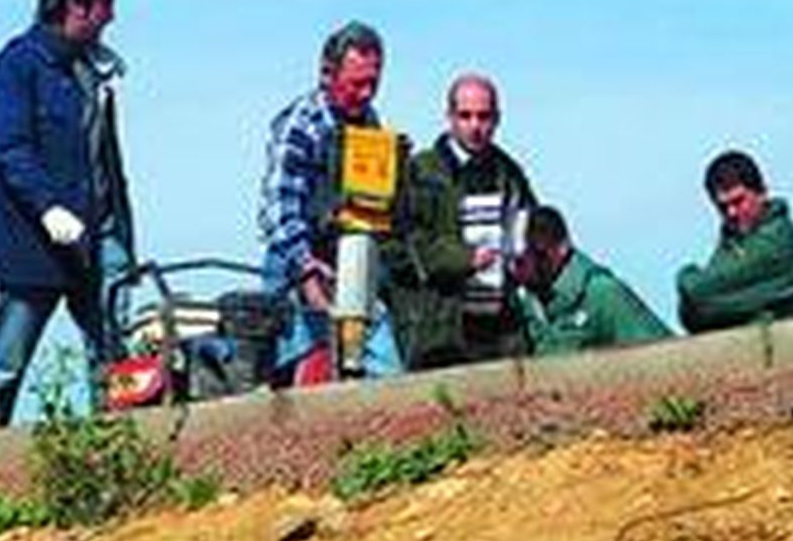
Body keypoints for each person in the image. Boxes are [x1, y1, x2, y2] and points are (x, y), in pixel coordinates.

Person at [0, 0, 136, 423]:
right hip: (32, 244)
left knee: (113, 356)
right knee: (5, 362)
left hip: (99, 237)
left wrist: (116, 230)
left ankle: (115, 444)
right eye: (105, 5)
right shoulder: (18, 65)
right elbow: (9, 148)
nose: (112, 17)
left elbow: (103, 158)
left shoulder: (93, 72)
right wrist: (48, 208)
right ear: (76, 5)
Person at [258, 21, 401, 385]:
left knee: (384, 369)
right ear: (327, 74)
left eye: (373, 83)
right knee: (305, 377)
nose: (366, 94)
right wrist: (306, 271)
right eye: (356, 84)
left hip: (352, 263)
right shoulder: (301, 124)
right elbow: (278, 208)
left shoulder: (369, 125)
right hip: (297, 265)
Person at [387, 73, 539, 368]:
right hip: (440, 334)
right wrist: (464, 258)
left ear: (497, 119)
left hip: (500, 332)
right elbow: (401, 246)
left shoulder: (509, 174)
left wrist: (525, 262)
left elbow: (530, 230)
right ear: (450, 117)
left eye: (483, 116)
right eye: (465, 116)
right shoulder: (421, 171)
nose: (475, 126)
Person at [676, 150, 793, 332]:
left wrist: (686, 276)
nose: (731, 213)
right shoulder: (731, 246)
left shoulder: (777, 241)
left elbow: (698, 294)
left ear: (762, 193)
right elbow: (691, 315)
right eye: (723, 207)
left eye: (738, 201)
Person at [514, 205, 670, 355]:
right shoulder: (526, 307)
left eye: (536, 254)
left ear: (561, 248)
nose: (523, 269)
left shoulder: (602, 295)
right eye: (515, 260)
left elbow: (663, 357)